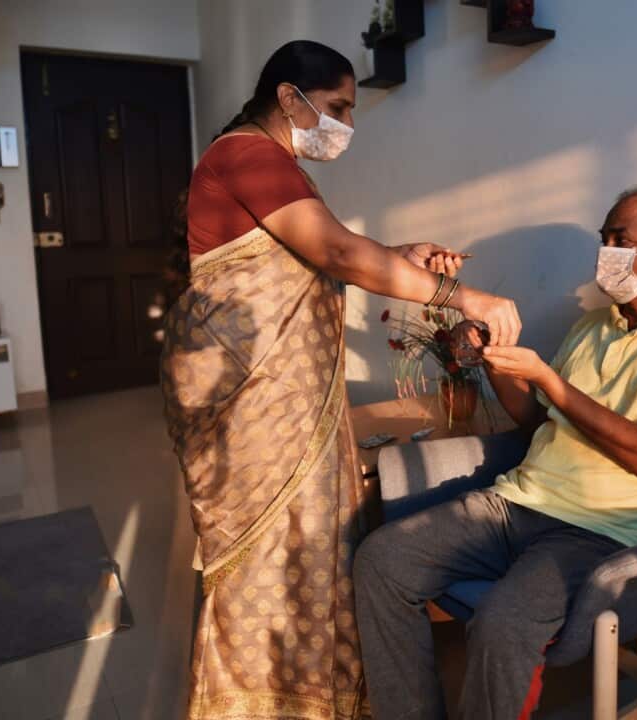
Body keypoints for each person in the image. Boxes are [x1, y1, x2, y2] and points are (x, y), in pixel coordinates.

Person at [159, 40, 521, 720]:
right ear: (289, 98)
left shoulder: (266, 160)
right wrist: (462, 295)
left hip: (278, 400)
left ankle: (307, 697)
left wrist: (397, 255)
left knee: (305, 546)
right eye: (337, 107)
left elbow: (316, 254)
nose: (346, 126)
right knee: (268, 553)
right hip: (249, 402)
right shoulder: (247, 154)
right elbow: (334, 252)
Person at [353, 186, 637, 720]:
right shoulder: (592, 328)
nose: (603, 255)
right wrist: (494, 360)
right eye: (603, 240)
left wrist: (548, 378)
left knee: (503, 620)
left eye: (619, 241)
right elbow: (537, 421)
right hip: (517, 502)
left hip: (603, 532)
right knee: (381, 560)